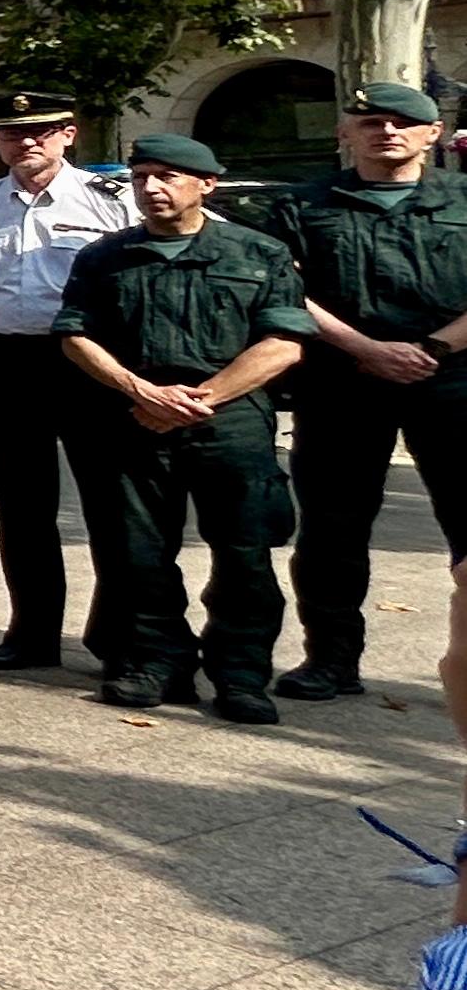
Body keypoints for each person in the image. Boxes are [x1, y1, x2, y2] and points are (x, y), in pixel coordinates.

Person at [54, 136, 309, 724]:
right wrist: (140, 391)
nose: (151, 188)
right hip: (134, 417)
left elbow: (283, 343)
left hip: (230, 420)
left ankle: (241, 674)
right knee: (136, 555)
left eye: (167, 176)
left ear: (207, 184)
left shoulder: (258, 253)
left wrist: (201, 398)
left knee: (244, 556)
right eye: (141, 177)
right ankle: (156, 663)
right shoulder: (103, 256)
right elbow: (75, 335)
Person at [280, 81, 467, 702]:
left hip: (455, 381)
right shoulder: (305, 205)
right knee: (332, 528)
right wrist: (366, 350)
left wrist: (435, 348)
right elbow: (286, 292)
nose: (386, 132)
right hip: (341, 382)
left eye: (401, 122)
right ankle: (331, 661)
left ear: (432, 133)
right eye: (371, 122)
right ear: (346, 132)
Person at [0, 90, 137, 677]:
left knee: (111, 504)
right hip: (7, 363)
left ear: (68, 134)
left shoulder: (113, 200)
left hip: (90, 362)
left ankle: (118, 636)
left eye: (41, 131)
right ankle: (32, 632)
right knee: (24, 506)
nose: (26, 142)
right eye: (11, 133)